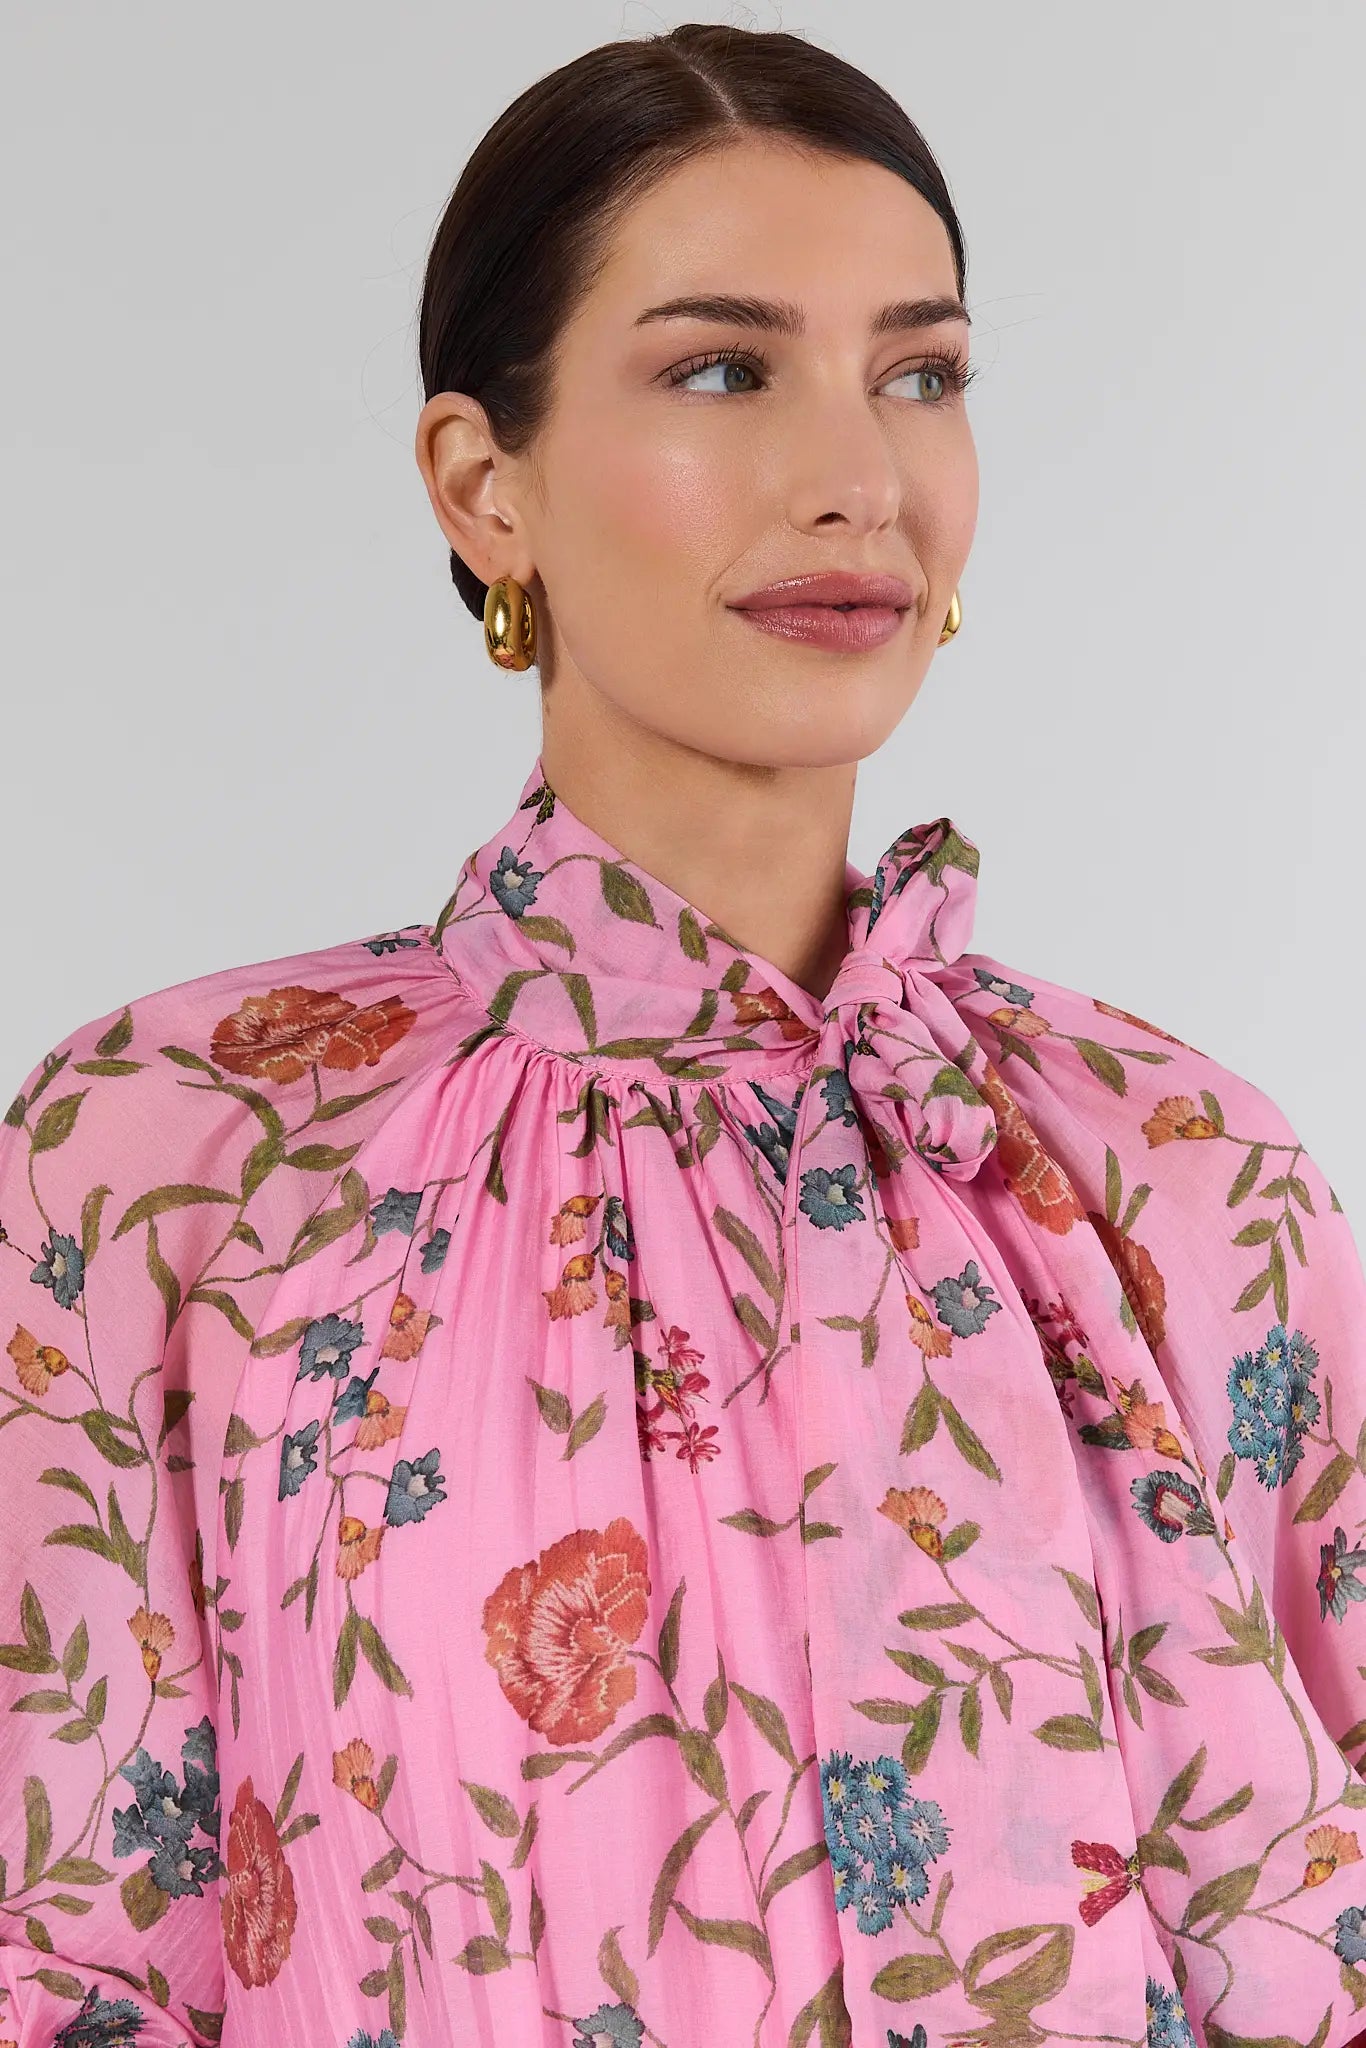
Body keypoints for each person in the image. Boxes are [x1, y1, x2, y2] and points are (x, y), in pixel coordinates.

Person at [1, 21, 1363, 2048]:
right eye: (722, 369)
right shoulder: (178, 1160)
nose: (856, 478)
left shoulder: (1180, 1171)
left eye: (919, 373)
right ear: (484, 487)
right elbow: (73, 1951)